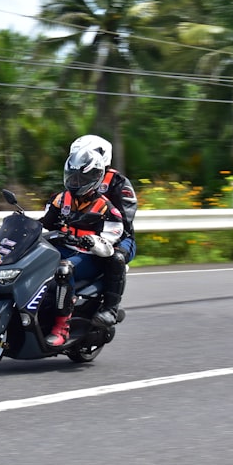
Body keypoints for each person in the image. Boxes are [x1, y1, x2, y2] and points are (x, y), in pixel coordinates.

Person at [40, 148, 125, 346]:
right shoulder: (60, 199)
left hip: (89, 256)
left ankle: (62, 327)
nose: (75, 182)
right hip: (63, 248)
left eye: (81, 178)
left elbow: (110, 245)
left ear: (96, 177)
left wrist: (93, 241)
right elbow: (45, 223)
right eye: (72, 177)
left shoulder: (107, 209)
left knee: (63, 269)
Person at [69, 134, 137, 326]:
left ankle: (110, 309)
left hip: (118, 236)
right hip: (82, 236)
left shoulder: (118, 182)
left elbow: (125, 219)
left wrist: (100, 230)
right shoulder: (78, 175)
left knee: (115, 258)